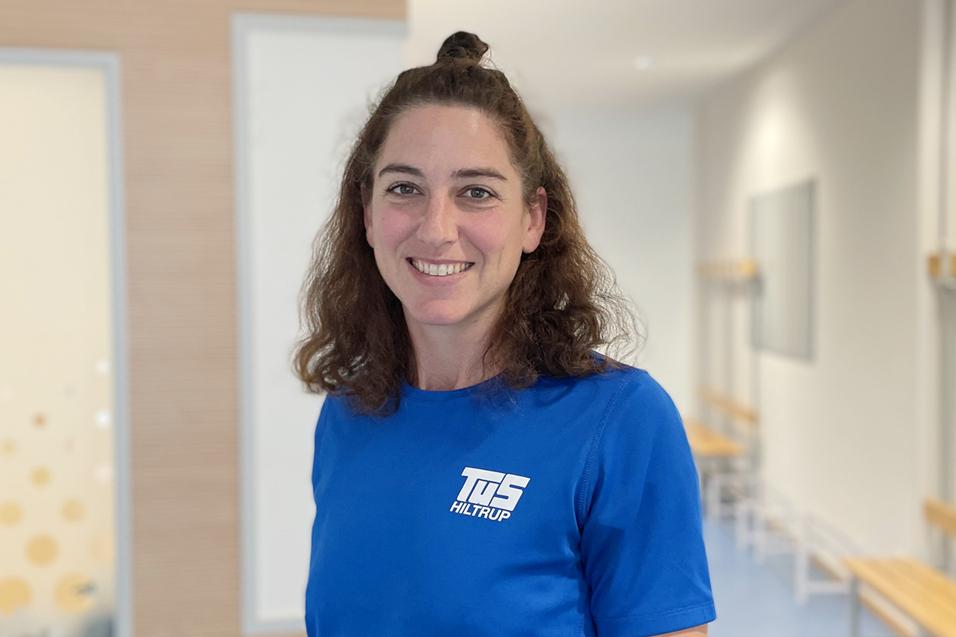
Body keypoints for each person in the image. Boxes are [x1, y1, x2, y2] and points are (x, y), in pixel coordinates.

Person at [293, 30, 716, 637]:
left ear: (533, 219)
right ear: (367, 212)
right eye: (405, 188)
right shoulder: (349, 411)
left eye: (476, 192)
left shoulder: (620, 421)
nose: (437, 229)